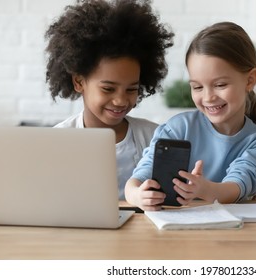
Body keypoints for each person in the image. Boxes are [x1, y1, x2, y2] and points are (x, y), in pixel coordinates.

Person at [125, 21, 256, 211]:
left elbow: (238, 185)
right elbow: (139, 177)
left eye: (220, 85)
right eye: (197, 87)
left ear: (250, 80)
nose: (208, 97)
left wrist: (205, 189)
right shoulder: (178, 129)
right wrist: (135, 195)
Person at [45, 0, 174, 199]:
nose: (121, 100)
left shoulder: (155, 138)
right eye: (108, 89)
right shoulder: (55, 141)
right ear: (79, 82)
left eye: (132, 89)